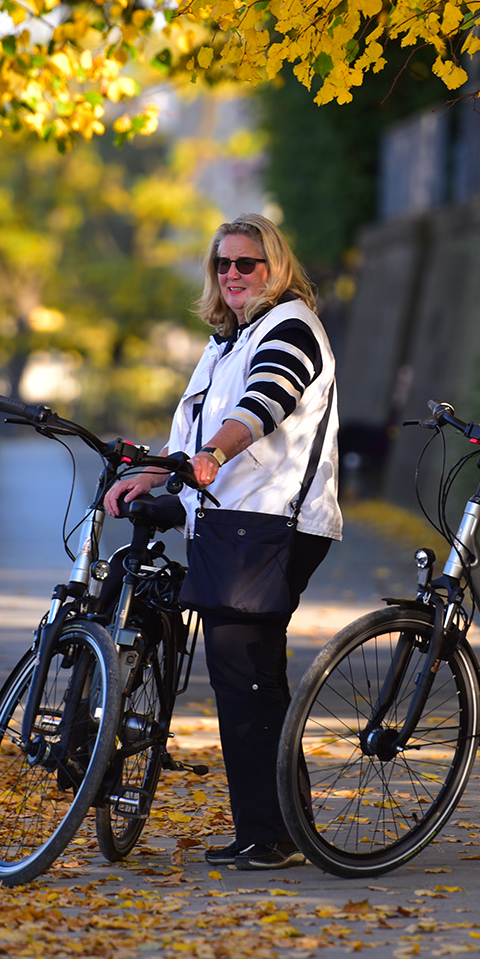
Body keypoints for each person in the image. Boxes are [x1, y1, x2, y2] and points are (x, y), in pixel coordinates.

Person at [103, 213, 340, 871]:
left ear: (276, 268)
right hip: (229, 521)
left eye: (247, 264)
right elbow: (191, 437)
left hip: (270, 523)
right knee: (247, 679)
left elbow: (269, 400)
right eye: (223, 265)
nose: (233, 275)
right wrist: (151, 471)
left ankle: (273, 834)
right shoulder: (227, 340)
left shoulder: (290, 328)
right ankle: (271, 830)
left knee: (249, 679)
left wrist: (215, 451)